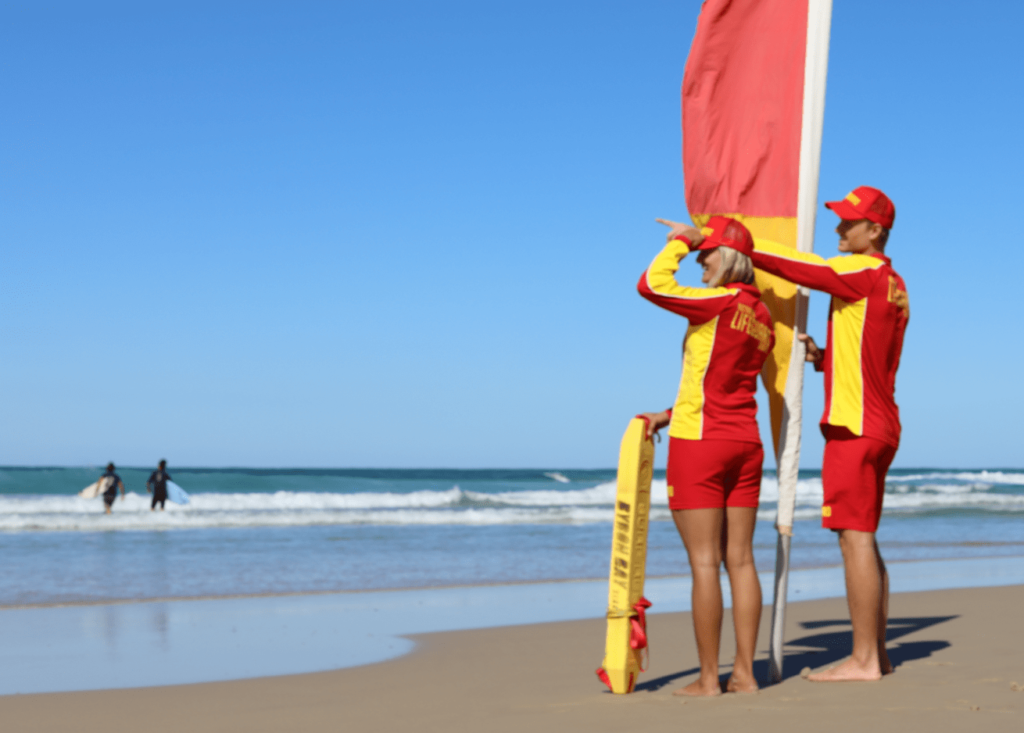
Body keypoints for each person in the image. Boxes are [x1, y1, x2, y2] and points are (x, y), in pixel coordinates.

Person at [748, 186, 908, 682]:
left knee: (853, 538)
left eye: (848, 222)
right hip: (879, 422)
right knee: (866, 537)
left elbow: (802, 268)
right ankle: (875, 654)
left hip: (853, 425)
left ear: (874, 231)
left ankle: (863, 661)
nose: (839, 229)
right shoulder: (893, 282)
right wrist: (823, 359)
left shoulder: (861, 270)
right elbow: (869, 352)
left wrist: (737, 242)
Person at [637, 215, 775, 696]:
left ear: (731, 255)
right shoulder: (762, 317)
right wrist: (671, 412)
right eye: (697, 253)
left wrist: (679, 240)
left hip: (702, 445)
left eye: (706, 253)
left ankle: (707, 679)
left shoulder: (718, 301)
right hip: (745, 444)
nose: (700, 260)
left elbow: (651, 285)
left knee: (703, 563)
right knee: (740, 561)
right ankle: (744, 674)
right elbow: (722, 378)